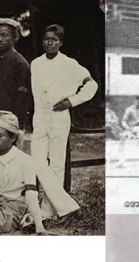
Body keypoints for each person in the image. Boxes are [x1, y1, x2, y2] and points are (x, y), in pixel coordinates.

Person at [30, 24, 98, 185]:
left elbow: (91, 84)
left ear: (61, 43)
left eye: (54, 40)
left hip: (59, 117)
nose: (50, 43)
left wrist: (72, 101)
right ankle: (47, 197)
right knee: (37, 162)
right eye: (46, 39)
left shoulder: (69, 64)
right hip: (40, 117)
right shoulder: (36, 63)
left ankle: (53, 205)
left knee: (57, 165)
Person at [0, 18, 31, 152]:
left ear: (14, 37)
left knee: (6, 158)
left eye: (4, 35)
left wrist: (17, 127)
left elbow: (23, 97)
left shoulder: (20, 63)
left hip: (8, 117)